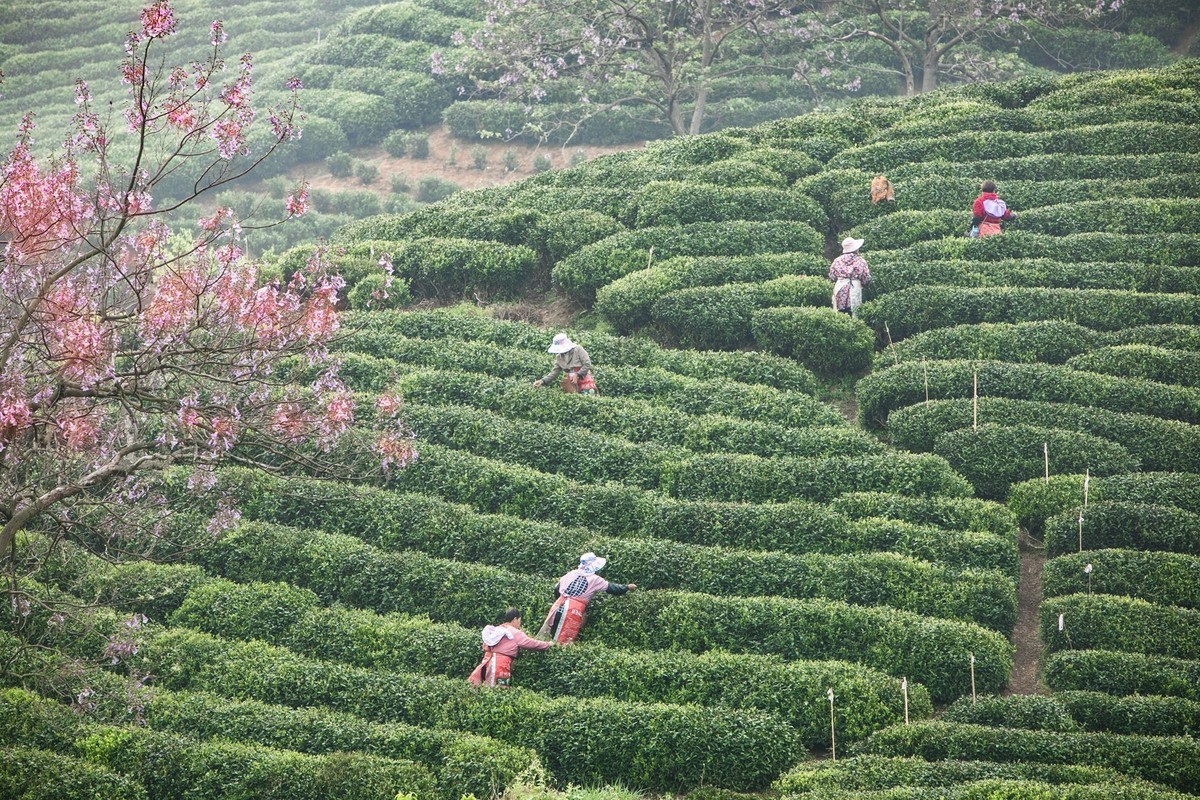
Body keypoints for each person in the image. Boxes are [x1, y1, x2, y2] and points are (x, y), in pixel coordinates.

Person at [539, 552, 636, 644]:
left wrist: (561, 600)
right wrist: (627, 587)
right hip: (573, 610)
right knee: (564, 640)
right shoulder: (595, 579)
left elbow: (557, 588)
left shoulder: (571, 573)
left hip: (558, 605)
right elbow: (612, 588)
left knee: (549, 634)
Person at [468, 607, 551, 688]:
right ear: (515, 619)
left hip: (486, 661)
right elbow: (531, 643)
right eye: (519, 621)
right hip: (500, 666)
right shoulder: (514, 632)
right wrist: (547, 644)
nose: (519, 624)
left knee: (482, 689)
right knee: (499, 691)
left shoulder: (497, 629)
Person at [828, 236, 871, 317]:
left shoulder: (837, 260)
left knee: (839, 313)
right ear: (856, 249)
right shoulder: (861, 261)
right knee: (854, 312)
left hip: (840, 288)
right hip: (854, 288)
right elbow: (866, 278)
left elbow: (832, 276)